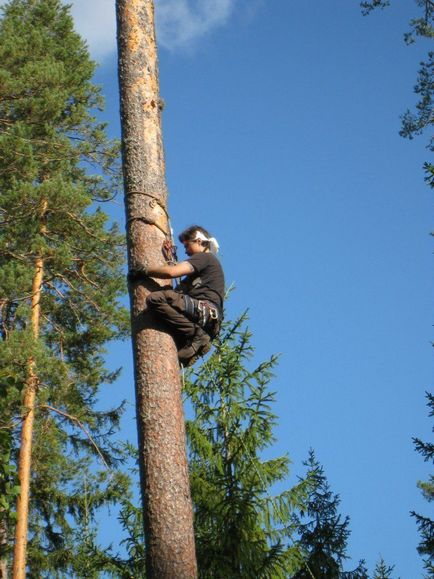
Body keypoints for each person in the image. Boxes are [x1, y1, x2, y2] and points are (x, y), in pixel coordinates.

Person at [129, 225, 225, 366]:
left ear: (199, 241)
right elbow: (178, 292)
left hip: (204, 311)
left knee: (155, 298)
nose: (186, 251)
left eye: (187, 245)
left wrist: (144, 270)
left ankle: (196, 335)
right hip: (208, 319)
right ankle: (195, 338)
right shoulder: (201, 271)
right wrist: (169, 259)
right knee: (177, 357)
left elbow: (172, 273)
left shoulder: (204, 257)